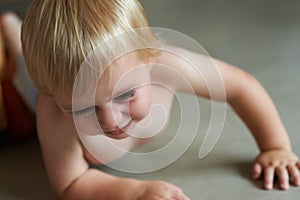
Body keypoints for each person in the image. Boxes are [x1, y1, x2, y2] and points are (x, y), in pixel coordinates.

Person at [17, 0, 300, 199]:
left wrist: (275, 147)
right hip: (33, 89)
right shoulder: (52, 109)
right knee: (22, 72)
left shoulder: (167, 64)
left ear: (149, 58)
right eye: (82, 109)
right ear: (55, 97)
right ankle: (9, 30)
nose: (111, 119)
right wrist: (133, 192)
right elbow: (70, 184)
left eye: (127, 94)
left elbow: (240, 86)